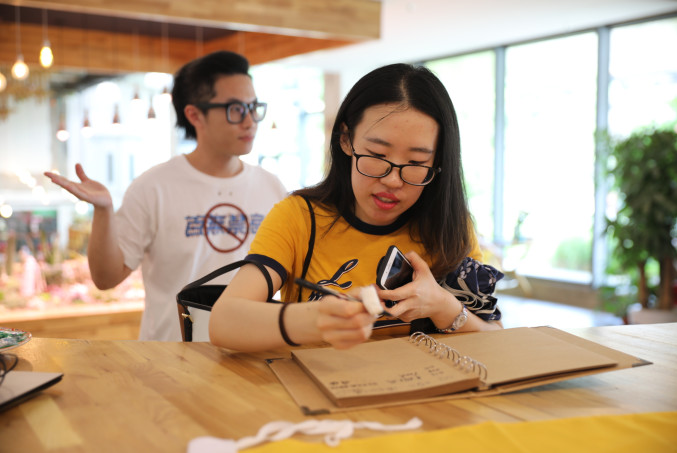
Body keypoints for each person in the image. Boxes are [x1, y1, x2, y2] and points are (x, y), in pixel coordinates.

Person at [209, 63, 502, 353]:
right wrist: (314, 319)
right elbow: (223, 323)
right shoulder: (299, 217)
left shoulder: (449, 225)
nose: (392, 180)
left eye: (416, 162)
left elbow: (497, 340)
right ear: (346, 140)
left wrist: (443, 306)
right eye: (377, 154)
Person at [45, 51, 287, 341]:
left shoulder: (272, 188)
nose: (250, 121)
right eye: (236, 109)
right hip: (171, 357)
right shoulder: (153, 187)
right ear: (194, 114)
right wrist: (104, 211)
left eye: (253, 107)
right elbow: (106, 278)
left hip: (252, 352)